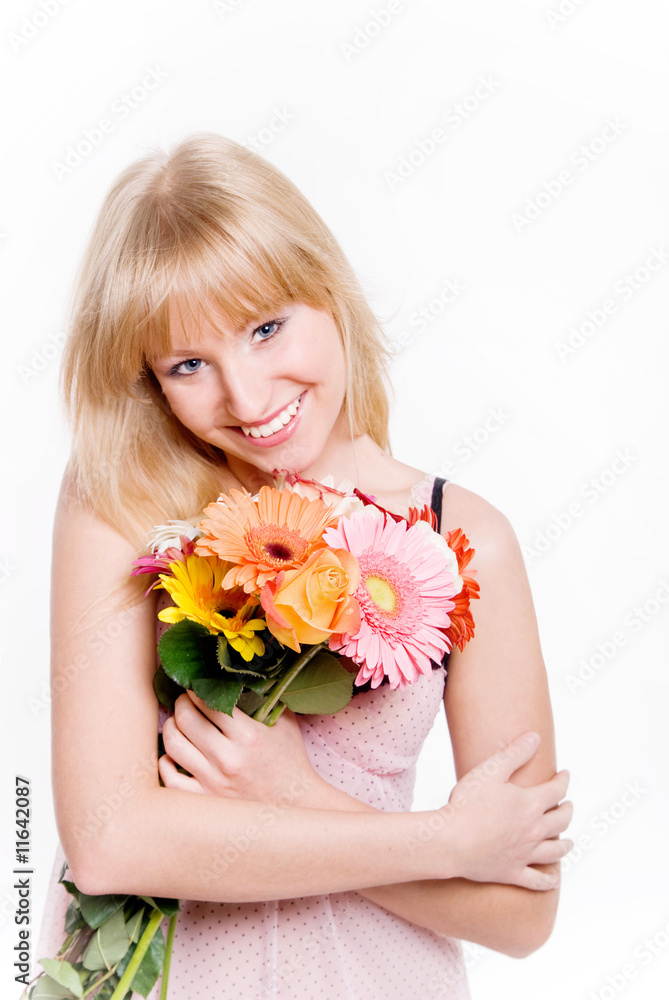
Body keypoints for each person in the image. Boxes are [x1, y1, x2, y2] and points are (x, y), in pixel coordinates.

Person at [36, 132, 573, 1000]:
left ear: (327, 289)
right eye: (188, 365)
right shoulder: (124, 494)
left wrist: (299, 795)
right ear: (147, 381)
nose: (247, 401)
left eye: (265, 327)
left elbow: (519, 913)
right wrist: (447, 840)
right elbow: (107, 843)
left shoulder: (465, 539)